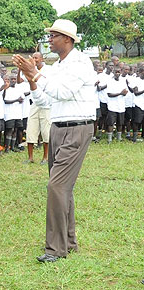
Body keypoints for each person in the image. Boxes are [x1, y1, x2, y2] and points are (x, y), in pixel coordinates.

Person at [13, 19, 96, 262]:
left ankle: (55, 249)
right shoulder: (58, 65)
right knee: (62, 188)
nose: (49, 40)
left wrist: (36, 73)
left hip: (77, 128)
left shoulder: (81, 63)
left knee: (56, 186)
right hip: (58, 128)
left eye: (53, 36)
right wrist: (32, 81)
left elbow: (63, 92)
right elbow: (46, 101)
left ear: (67, 39)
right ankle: (68, 242)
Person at [21, 52, 51, 164]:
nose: (34, 59)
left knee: (46, 131)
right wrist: (22, 68)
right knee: (31, 129)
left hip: (46, 104)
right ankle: (30, 157)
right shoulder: (30, 70)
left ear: (42, 59)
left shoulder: (48, 70)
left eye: (36, 58)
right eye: (33, 58)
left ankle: (46, 157)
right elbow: (20, 80)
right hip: (35, 103)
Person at [105, 67, 127, 143]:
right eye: (116, 72)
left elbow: (125, 91)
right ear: (113, 72)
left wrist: (123, 93)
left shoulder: (123, 81)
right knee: (111, 123)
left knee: (120, 123)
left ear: (121, 72)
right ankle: (109, 139)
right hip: (112, 106)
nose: (117, 73)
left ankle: (119, 138)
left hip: (121, 105)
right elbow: (109, 94)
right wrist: (120, 93)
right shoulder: (110, 81)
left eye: (118, 72)